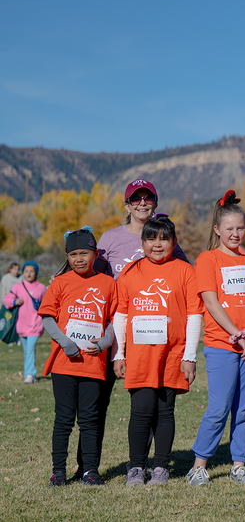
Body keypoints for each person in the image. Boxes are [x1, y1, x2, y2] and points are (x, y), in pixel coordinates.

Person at [81, 179, 189, 481]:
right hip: (114, 330)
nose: (142, 203)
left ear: (155, 202)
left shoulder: (167, 238)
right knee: (98, 404)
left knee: (157, 407)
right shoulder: (110, 238)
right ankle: (89, 466)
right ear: (127, 205)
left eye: (148, 198)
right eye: (135, 199)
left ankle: (157, 465)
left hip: (158, 336)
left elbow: (183, 280)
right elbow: (90, 271)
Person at [186, 191, 245, 486]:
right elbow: (211, 302)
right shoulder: (208, 259)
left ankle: (238, 465)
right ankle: (199, 466)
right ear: (217, 230)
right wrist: (238, 337)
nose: (235, 234)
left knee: (244, 408)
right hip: (223, 345)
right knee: (219, 407)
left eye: (240, 228)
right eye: (230, 229)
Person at [112, 215, 202, 486]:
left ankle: (161, 467)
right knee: (140, 412)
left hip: (173, 355)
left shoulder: (185, 271)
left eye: (164, 239)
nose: (158, 244)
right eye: (151, 239)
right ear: (142, 243)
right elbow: (121, 314)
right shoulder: (131, 272)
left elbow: (195, 315)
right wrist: (119, 352)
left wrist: (190, 356)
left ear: (174, 242)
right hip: (139, 357)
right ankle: (137, 467)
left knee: (165, 412)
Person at [39, 227, 117, 486]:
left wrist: (105, 342)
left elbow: (114, 319)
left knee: (90, 420)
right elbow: (48, 317)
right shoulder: (60, 282)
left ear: (95, 254)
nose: (79, 259)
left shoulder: (108, 283)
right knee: (63, 419)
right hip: (64, 363)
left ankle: (90, 471)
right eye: (73, 254)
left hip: (93, 365)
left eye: (84, 253)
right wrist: (65, 343)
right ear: (67, 256)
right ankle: (58, 472)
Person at [3, 261, 46, 383]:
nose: (29, 273)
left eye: (32, 271)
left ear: (36, 272)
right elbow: (6, 300)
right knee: (27, 351)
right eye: (26, 271)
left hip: (36, 325)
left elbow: (47, 303)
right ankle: (28, 374)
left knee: (30, 350)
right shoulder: (17, 287)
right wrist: (15, 301)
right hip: (21, 325)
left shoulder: (41, 288)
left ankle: (30, 375)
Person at [1, 263, 22, 347]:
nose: (16, 271)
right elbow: (2, 291)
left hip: (19, 304)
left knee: (18, 322)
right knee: (9, 322)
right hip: (8, 304)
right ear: (10, 269)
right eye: (14, 269)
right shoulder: (5, 278)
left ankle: (18, 339)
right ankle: (9, 339)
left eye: (17, 269)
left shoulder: (21, 278)